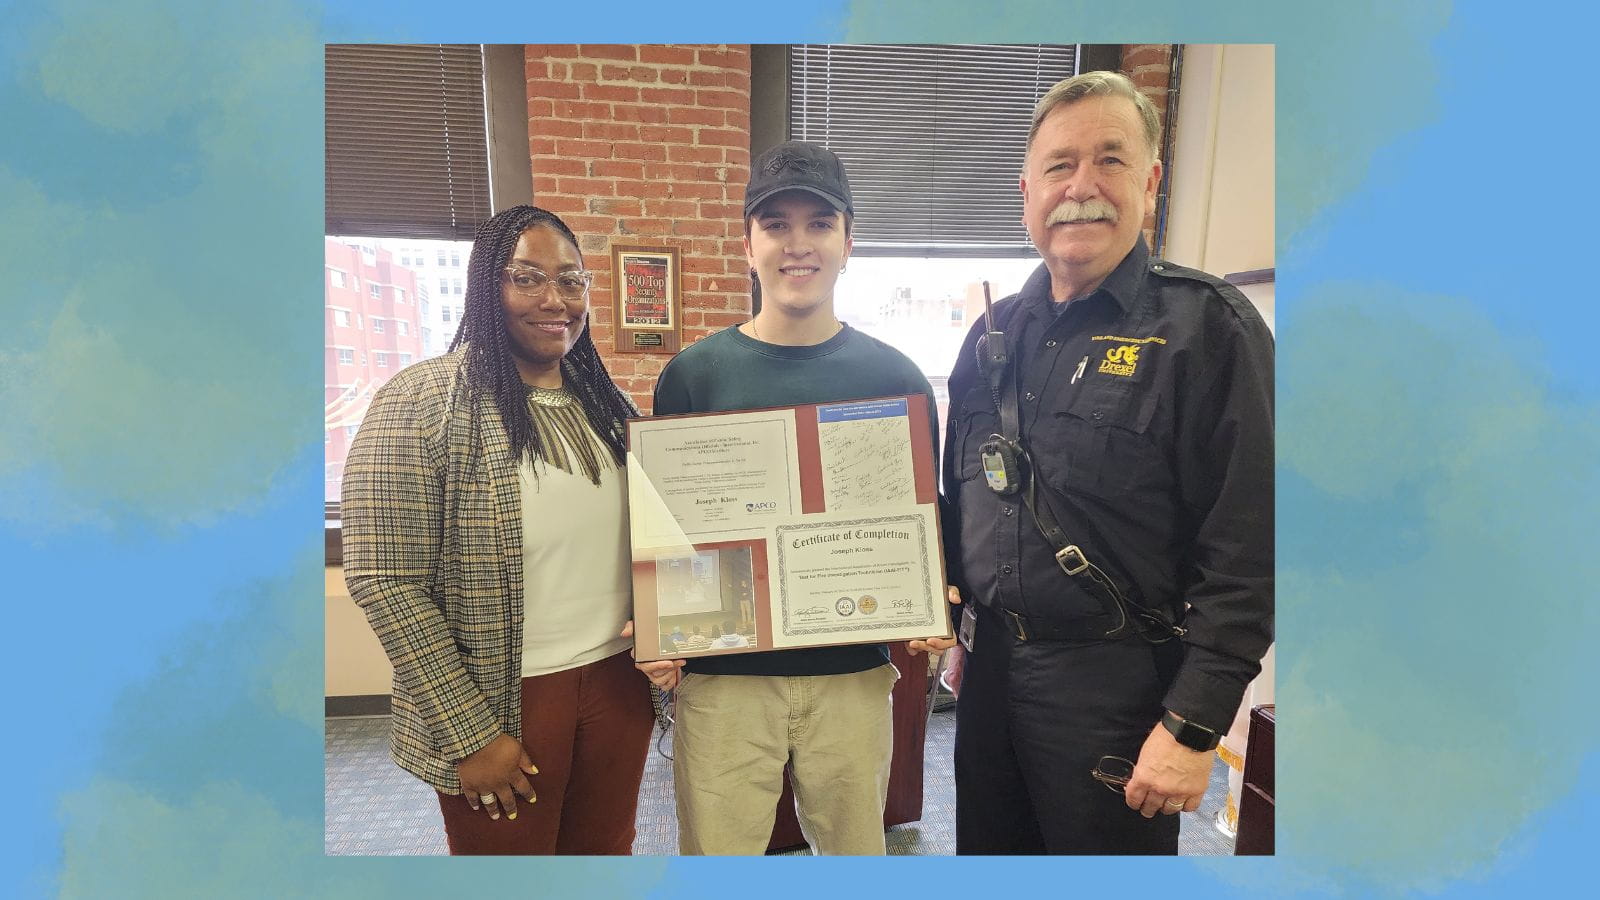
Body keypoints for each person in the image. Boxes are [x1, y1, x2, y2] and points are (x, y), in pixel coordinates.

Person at [942, 71, 1274, 854]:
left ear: (1151, 180)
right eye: (1059, 165)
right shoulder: (990, 338)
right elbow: (974, 502)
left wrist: (1193, 725)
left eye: (1110, 160)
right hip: (987, 679)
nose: (1081, 187)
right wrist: (958, 627)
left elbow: (1252, 546)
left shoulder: (1209, 332)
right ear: (1027, 189)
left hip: (1118, 690)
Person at [636, 140, 950, 856]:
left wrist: (935, 602)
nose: (796, 243)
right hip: (724, 684)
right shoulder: (694, 375)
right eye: (775, 224)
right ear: (747, 244)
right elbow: (672, 528)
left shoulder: (895, 377)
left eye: (818, 223)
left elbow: (920, 519)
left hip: (852, 676)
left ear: (848, 243)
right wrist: (657, 626)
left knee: (854, 859)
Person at [342, 205, 655, 855]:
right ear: (488, 285)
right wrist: (470, 734)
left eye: (572, 280)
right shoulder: (422, 399)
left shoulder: (607, 404)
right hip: (500, 700)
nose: (554, 299)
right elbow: (383, 577)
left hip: (615, 687)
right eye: (527, 277)